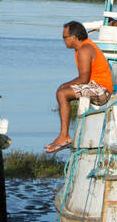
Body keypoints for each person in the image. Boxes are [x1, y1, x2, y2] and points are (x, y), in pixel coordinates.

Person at [45, 21, 113, 152]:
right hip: (95, 87)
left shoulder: (85, 49)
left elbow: (83, 79)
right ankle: (64, 135)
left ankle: (64, 136)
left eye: (65, 37)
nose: (63, 40)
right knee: (62, 91)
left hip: (101, 90)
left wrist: (64, 85)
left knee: (62, 93)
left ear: (74, 38)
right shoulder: (81, 48)